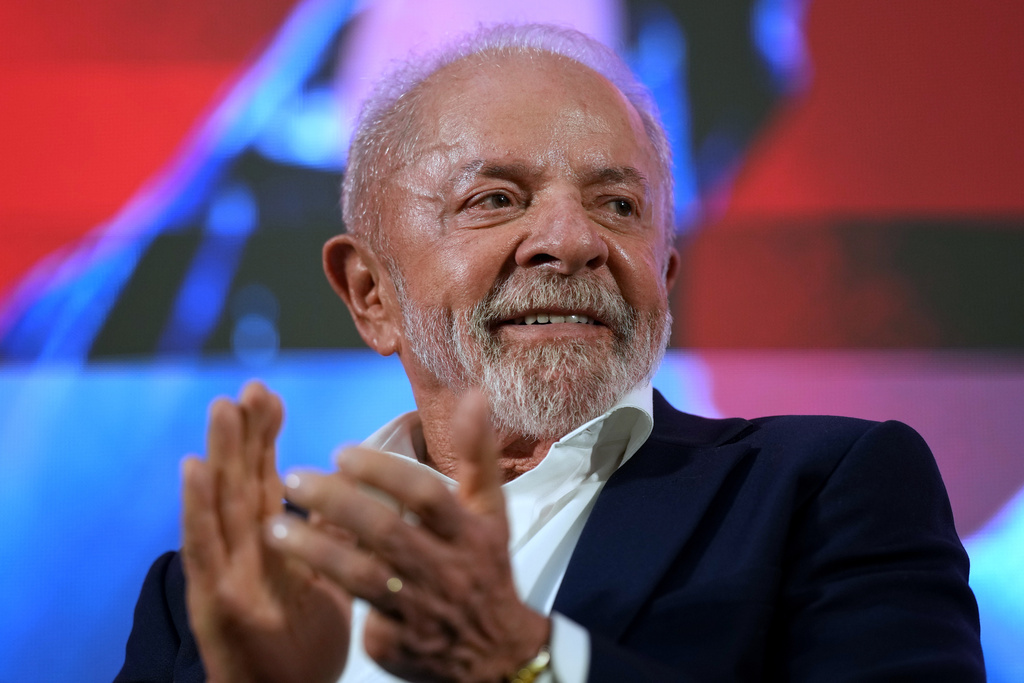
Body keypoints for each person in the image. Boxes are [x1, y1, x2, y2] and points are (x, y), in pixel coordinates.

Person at [116, 24, 984, 682]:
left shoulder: (824, 491)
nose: (570, 240)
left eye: (617, 206)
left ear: (665, 275)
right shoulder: (227, 586)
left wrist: (527, 659)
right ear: (369, 293)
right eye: (496, 197)